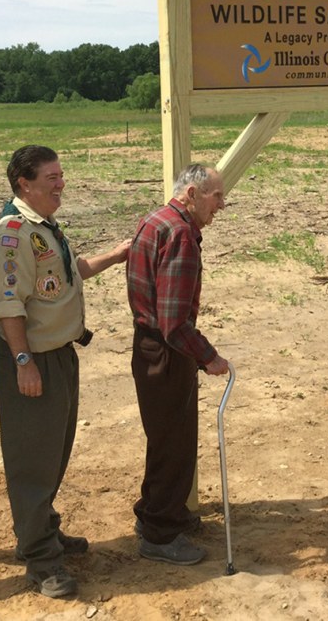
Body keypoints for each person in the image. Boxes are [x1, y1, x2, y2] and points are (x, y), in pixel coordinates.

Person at [0, 145, 129, 599]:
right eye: (51, 177)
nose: (61, 183)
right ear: (24, 183)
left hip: (59, 354)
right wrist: (23, 362)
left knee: (53, 455)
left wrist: (115, 255)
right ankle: (40, 559)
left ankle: (43, 530)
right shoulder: (13, 233)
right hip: (33, 359)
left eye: (61, 175)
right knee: (32, 463)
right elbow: (8, 304)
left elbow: (67, 274)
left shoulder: (43, 227)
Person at [127, 163, 230, 566]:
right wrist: (209, 357)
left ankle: (158, 513)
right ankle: (159, 534)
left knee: (165, 438)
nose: (221, 205)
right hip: (167, 353)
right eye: (216, 196)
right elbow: (173, 323)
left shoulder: (155, 220)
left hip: (150, 348)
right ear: (191, 194)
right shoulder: (182, 234)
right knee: (175, 445)